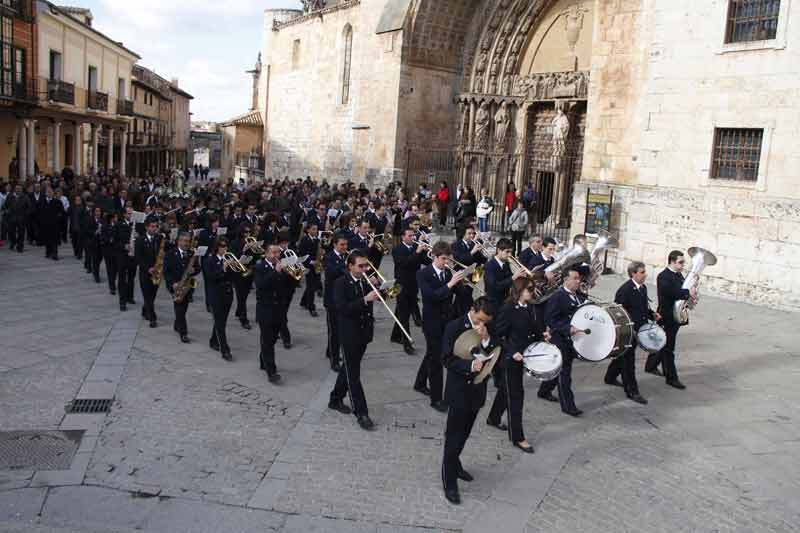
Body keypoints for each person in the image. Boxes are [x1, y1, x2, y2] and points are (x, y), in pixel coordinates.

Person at [441, 296, 499, 505]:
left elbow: (495, 349)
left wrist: (485, 340)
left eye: (486, 322)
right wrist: (468, 367)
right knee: (453, 436)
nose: (481, 325)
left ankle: (455, 464)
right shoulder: (454, 326)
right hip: (458, 390)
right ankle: (449, 481)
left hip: (477, 389)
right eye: (479, 320)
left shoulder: (486, 328)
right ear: (472, 309)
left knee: (465, 433)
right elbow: (446, 358)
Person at [485, 278, 541, 453]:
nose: (532, 292)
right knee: (516, 396)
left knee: (506, 389)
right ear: (519, 291)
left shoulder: (529, 307)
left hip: (523, 357)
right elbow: (498, 335)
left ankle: (493, 418)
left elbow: (532, 330)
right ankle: (518, 437)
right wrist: (511, 351)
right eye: (529, 289)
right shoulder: (507, 309)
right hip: (509, 360)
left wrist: (542, 337)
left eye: (533, 289)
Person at [328, 250, 380, 431]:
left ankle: (335, 399)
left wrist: (379, 287)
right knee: (354, 374)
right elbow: (342, 308)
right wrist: (365, 299)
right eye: (361, 266)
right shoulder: (340, 283)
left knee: (349, 368)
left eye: (366, 265)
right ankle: (362, 413)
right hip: (349, 333)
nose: (365, 269)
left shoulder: (365, 281)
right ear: (350, 266)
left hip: (364, 332)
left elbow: (379, 298)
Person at [415, 241, 465, 412]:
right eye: (443, 259)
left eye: (448, 259)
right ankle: (436, 399)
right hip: (431, 322)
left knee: (432, 353)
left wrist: (464, 280)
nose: (446, 262)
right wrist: (451, 284)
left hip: (447, 321)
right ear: (434, 257)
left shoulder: (448, 273)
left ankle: (420, 382)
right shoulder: (423, 274)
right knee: (436, 360)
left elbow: (461, 294)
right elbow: (431, 296)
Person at [605, 261, 658, 404]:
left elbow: (643, 307)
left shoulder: (643, 288)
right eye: (642, 272)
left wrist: (652, 315)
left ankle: (610, 377)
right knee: (629, 362)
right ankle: (632, 391)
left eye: (644, 271)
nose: (645, 274)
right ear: (633, 273)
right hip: (628, 331)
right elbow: (618, 313)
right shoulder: (625, 290)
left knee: (622, 356)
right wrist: (629, 330)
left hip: (639, 329)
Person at [537, 266, 587, 417]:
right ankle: (568, 406)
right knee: (565, 373)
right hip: (560, 339)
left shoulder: (579, 295)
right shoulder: (558, 296)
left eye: (579, 278)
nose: (579, 281)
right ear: (566, 280)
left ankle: (544, 391)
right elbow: (550, 319)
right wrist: (567, 328)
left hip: (572, 340)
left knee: (559, 368)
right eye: (575, 278)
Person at [645, 251, 697, 390]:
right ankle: (671, 378)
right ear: (672, 262)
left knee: (663, 341)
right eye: (680, 262)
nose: (683, 264)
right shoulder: (663, 276)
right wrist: (687, 293)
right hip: (666, 315)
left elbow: (682, 289)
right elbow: (671, 292)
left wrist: (691, 296)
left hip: (676, 314)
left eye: (683, 262)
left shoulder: (678, 274)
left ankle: (650, 366)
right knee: (669, 348)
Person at [391, 227, 429, 355]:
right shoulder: (397, 249)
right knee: (404, 315)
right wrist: (417, 252)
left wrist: (431, 250)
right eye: (409, 236)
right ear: (403, 237)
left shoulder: (415, 248)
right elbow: (404, 263)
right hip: (400, 285)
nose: (412, 238)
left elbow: (426, 261)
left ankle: (395, 335)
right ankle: (407, 343)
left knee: (401, 311)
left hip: (413, 285)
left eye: (413, 235)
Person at [254, 245, 287, 383]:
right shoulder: (259, 267)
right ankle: (271, 371)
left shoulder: (280, 265)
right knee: (267, 341)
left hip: (278, 310)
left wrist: (294, 276)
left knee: (273, 339)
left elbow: (286, 286)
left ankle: (263, 359)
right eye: (273, 252)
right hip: (265, 309)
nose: (276, 255)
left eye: (278, 252)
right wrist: (275, 271)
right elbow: (261, 284)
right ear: (266, 253)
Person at [164, 231, 200, 343]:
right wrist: (172, 284)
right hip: (176, 285)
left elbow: (198, 268)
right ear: (178, 241)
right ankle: (183, 333)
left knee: (183, 308)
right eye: (184, 241)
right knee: (179, 308)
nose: (186, 244)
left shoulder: (191, 254)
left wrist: (194, 270)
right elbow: (166, 272)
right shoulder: (170, 254)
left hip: (188, 285)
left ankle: (177, 323)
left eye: (188, 241)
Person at [205, 236, 237, 361]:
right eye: (222, 246)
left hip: (228, 294)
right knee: (220, 323)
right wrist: (223, 269)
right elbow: (211, 277)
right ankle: (225, 350)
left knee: (221, 321)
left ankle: (213, 340)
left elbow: (234, 277)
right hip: (216, 295)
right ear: (217, 247)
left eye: (226, 246)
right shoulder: (210, 260)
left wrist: (235, 267)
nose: (225, 248)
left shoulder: (229, 258)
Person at [323, 234, 348, 371]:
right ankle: (334, 360)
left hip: (343, 298)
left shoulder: (346, 257)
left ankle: (330, 351)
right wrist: (346, 266)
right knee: (334, 331)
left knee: (339, 329)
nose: (344, 247)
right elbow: (331, 273)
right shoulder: (329, 257)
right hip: (332, 299)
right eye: (342, 245)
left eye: (345, 245)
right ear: (335, 245)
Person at [135, 218, 163, 328]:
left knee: (152, 295)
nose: (154, 228)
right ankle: (152, 318)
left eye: (155, 226)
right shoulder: (140, 240)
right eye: (151, 226)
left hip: (157, 272)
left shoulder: (159, 238)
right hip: (145, 273)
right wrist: (147, 268)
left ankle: (145, 309)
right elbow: (138, 257)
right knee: (147, 295)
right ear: (146, 227)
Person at [484, 238, 525, 308]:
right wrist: (513, 277)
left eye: (511, 252)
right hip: (494, 301)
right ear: (499, 250)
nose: (510, 255)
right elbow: (494, 287)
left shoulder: (505, 263)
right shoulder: (489, 265)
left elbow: (508, 277)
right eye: (507, 252)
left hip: (505, 299)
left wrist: (519, 276)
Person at [230, 224, 256, 330]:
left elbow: (257, 256)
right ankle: (243, 319)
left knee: (244, 295)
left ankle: (239, 311)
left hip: (249, 272)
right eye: (245, 232)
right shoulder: (235, 243)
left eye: (249, 232)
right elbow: (233, 257)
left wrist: (255, 248)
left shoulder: (252, 242)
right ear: (241, 233)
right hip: (238, 273)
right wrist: (244, 250)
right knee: (241, 296)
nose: (248, 234)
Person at [298, 222, 321, 317]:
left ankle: (303, 301)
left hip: (315, 265)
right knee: (311, 287)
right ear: (308, 230)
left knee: (312, 285)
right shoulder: (304, 240)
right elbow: (302, 254)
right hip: (307, 266)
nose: (315, 231)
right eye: (313, 229)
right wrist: (312, 262)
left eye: (316, 229)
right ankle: (311, 307)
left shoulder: (316, 240)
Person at [2, 184, 31, 253]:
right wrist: (6, 211)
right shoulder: (10, 196)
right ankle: (13, 242)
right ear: (14, 189)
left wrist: (25, 214)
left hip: (22, 218)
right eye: (17, 188)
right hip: (12, 218)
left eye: (19, 189)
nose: (18, 190)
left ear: (21, 190)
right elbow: (5, 206)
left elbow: (29, 207)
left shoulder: (25, 197)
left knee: (21, 233)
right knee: (11, 232)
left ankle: (20, 247)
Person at [39, 187, 65, 260]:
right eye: (48, 192)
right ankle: (48, 252)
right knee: (47, 239)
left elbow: (62, 212)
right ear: (45, 193)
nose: (49, 193)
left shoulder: (57, 201)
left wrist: (58, 218)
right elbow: (40, 212)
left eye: (50, 191)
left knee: (55, 240)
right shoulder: (42, 201)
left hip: (55, 224)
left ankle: (55, 254)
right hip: (46, 224)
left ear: (53, 193)